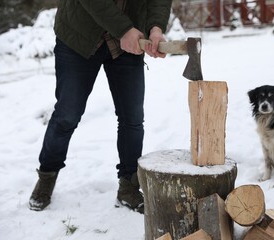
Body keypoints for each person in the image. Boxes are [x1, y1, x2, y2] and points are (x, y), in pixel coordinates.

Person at [28, 0, 173, 214]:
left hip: (129, 41)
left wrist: (156, 28)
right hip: (80, 35)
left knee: (132, 118)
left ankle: (129, 186)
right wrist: (124, 29)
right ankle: (47, 176)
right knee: (68, 114)